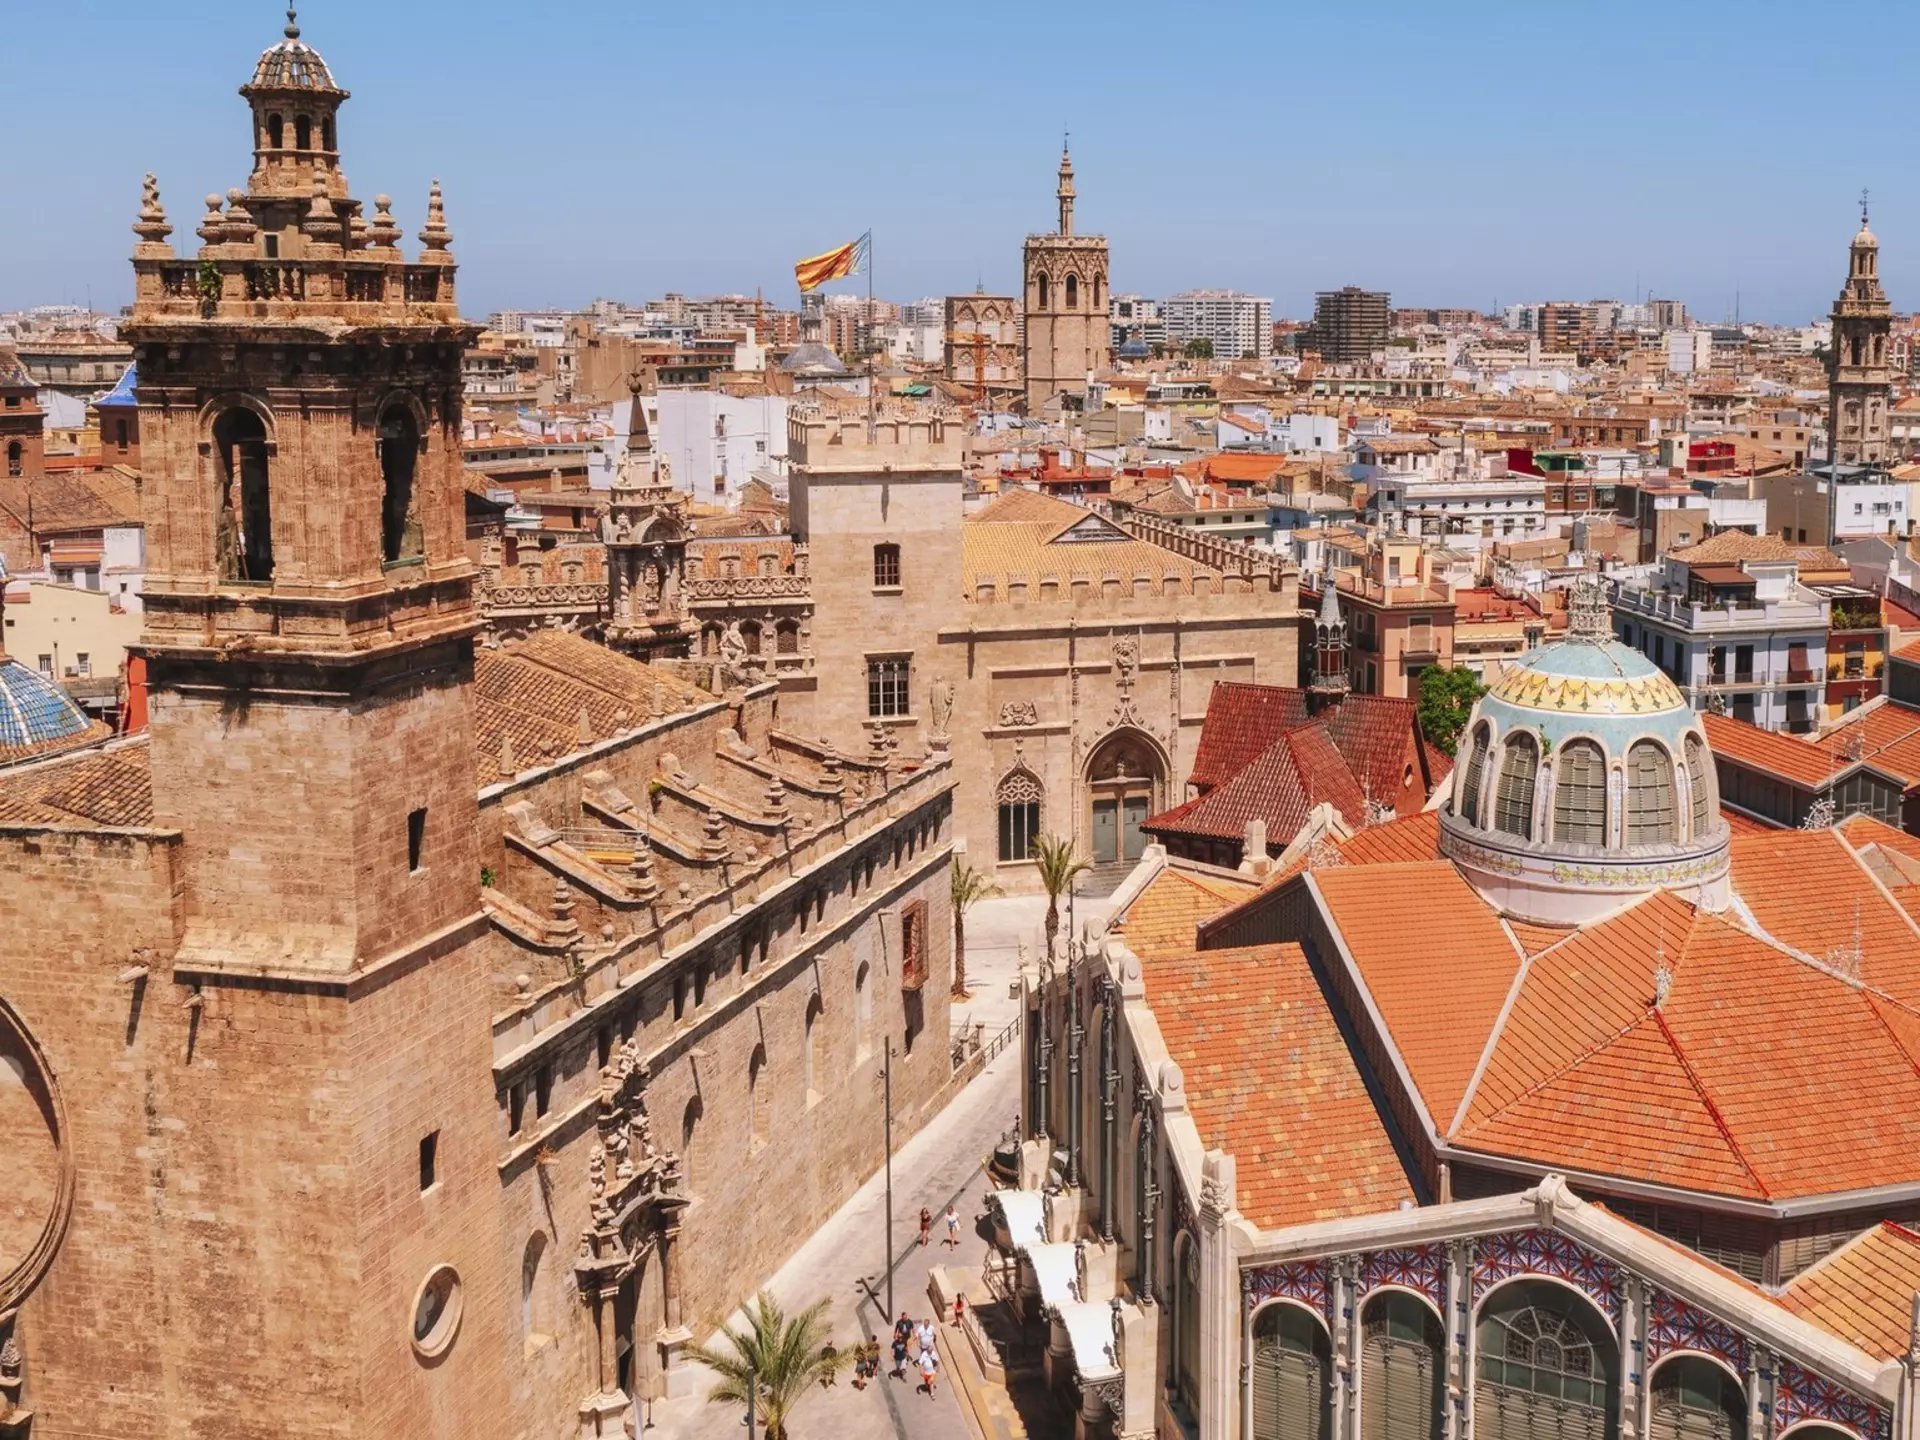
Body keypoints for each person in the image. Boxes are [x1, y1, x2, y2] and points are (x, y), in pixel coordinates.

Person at [892, 1312, 912, 1379]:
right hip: (903, 1337)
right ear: (902, 1317)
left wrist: (915, 1335)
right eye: (904, 1317)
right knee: (898, 1366)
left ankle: (906, 1358)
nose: (905, 1318)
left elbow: (912, 1328)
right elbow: (896, 1329)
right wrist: (895, 1334)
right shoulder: (899, 1322)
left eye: (906, 1317)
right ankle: (899, 1370)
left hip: (907, 1337)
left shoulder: (909, 1322)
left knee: (906, 1348)